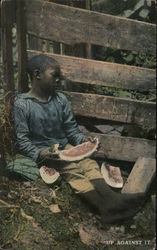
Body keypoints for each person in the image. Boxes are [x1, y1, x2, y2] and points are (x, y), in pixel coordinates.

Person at [8, 54, 145, 224]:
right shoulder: (22, 104)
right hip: (46, 153)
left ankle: (112, 199)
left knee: (88, 163)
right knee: (71, 170)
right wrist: (39, 153)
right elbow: (22, 140)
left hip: (66, 146)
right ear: (37, 75)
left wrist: (83, 140)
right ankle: (104, 209)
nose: (58, 80)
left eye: (59, 77)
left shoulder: (60, 100)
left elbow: (71, 130)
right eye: (54, 75)